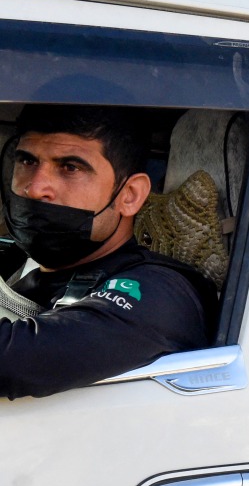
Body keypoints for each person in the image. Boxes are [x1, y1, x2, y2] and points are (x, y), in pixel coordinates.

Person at [0, 104, 216, 399]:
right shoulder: (14, 260)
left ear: (129, 195)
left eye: (70, 167)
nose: (36, 188)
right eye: (27, 161)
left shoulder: (160, 293)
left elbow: (14, 360)